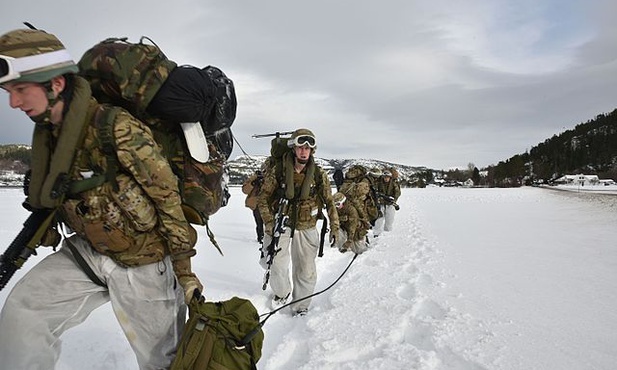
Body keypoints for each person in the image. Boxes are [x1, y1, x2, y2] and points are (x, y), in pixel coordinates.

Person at [0, 28, 202, 369]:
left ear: (56, 84)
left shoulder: (115, 126)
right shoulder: (49, 138)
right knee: (22, 316)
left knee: (163, 361)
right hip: (89, 250)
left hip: (145, 260)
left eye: (20, 89)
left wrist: (184, 273)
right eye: (8, 92)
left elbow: (167, 198)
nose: (13, 102)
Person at [257, 128, 339, 316]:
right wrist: (269, 223)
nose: (304, 151)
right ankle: (281, 293)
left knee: (306, 270)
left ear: (312, 151)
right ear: (294, 148)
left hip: (307, 225)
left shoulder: (319, 174)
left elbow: (329, 201)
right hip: (282, 224)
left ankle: (301, 306)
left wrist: (334, 226)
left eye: (307, 148)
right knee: (276, 264)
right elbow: (263, 199)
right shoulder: (279, 170)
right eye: (300, 147)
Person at [332, 183, 370, 254]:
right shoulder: (336, 209)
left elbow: (352, 227)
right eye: (335, 205)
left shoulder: (351, 210)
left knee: (359, 250)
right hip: (344, 227)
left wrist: (349, 241)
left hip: (355, 228)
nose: (336, 207)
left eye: (338, 204)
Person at [373, 168, 402, 237]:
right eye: (385, 177)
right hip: (381, 203)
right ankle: (376, 233)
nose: (386, 179)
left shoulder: (394, 183)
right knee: (379, 219)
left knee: (390, 219)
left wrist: (393, 200)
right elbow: (375, 192)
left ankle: (388, 234)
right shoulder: (379, 183)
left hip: (390, 204)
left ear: (390, 177)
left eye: (388, 177)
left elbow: (398, 193)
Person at [242, 168, 265, 243]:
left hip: (267, 203)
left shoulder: (269, 177)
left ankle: (266, 237)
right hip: (256, 204)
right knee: (259, 222)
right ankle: (260, 237)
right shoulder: (252, 179)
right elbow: (245, 190)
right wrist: (253, 183)